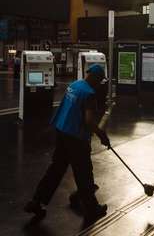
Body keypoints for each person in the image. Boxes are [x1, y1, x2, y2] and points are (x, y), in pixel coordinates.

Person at [24, 64, 111, 225]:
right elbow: (89, 121)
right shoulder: (90, 94)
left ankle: (37, 201)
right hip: (77, 138)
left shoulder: (74, 85)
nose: (99, 84)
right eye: (99, 80)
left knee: (55, 169)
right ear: (94, 77)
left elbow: (65, 108)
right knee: (84, 172)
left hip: (62, 132)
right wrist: (102, 135)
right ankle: (92, 209)